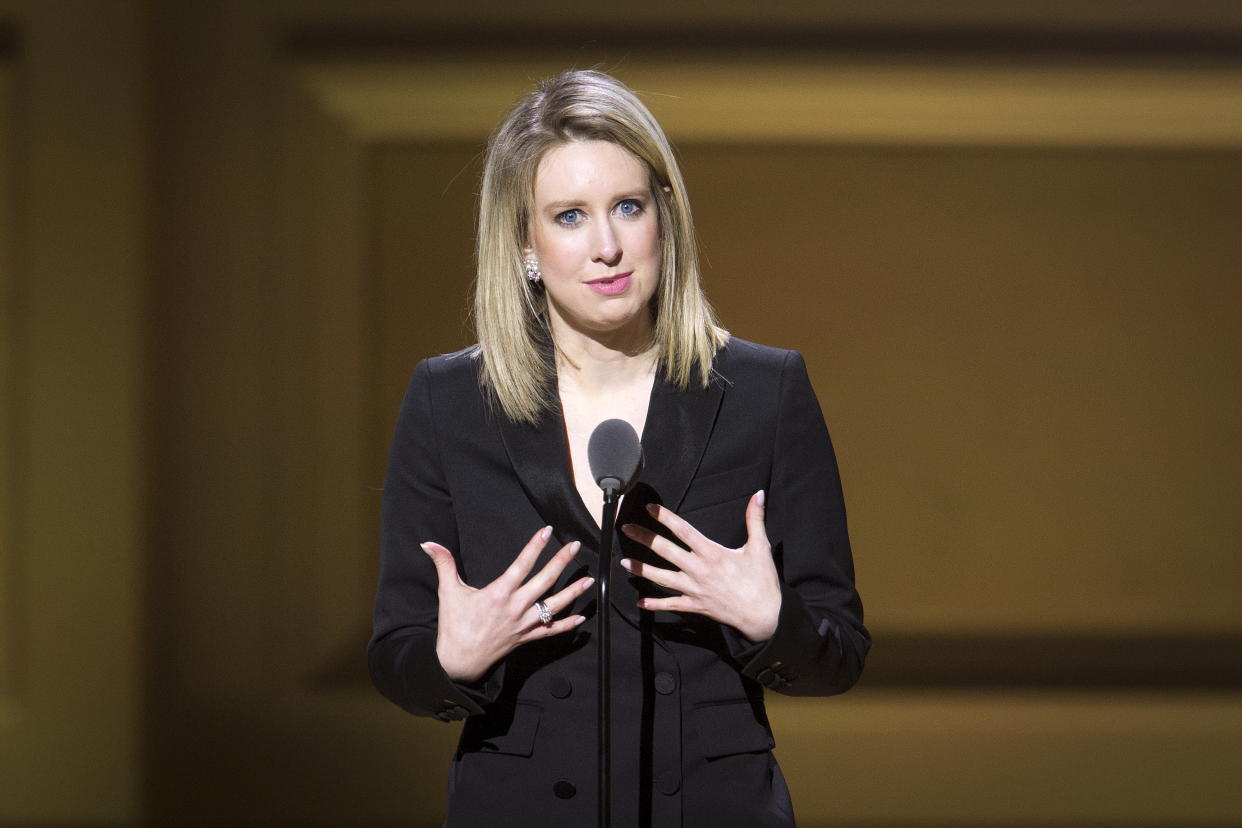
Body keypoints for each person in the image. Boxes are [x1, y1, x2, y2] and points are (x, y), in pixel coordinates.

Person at [368, 69, 869, 827]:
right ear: (524, 243)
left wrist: (769, 620)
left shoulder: (765, 391)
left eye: (627, 207)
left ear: (665, 218)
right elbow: (398, 656)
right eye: (569, 216)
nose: (606, 246)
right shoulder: (450, 404)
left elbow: (839, 653)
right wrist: (454, 662)